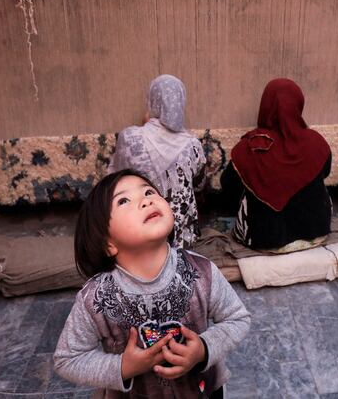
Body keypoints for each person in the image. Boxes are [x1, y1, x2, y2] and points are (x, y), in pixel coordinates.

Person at [54, 169, 250, 398]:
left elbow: (237, 318)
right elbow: (67, 359)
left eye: (148, 191)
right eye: (124, 200)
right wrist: (124, 367)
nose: (146, 200)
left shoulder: (201, 271)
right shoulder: (95, 298)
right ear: (108, 244)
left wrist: (203, 350)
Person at [221, 78, 332, 250]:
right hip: (317, 232)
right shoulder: (316, 142)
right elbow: (325, 172)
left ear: (266, 106)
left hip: (264, 240)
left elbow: (228, 185)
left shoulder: (249, 148)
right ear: (298, 105)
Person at [108, 75, 206, 248]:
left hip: (142, 234)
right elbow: (199, 185)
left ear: (153, 100)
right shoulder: (193, 145)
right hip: (184, 239)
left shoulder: (131, 138)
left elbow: (115, 179)